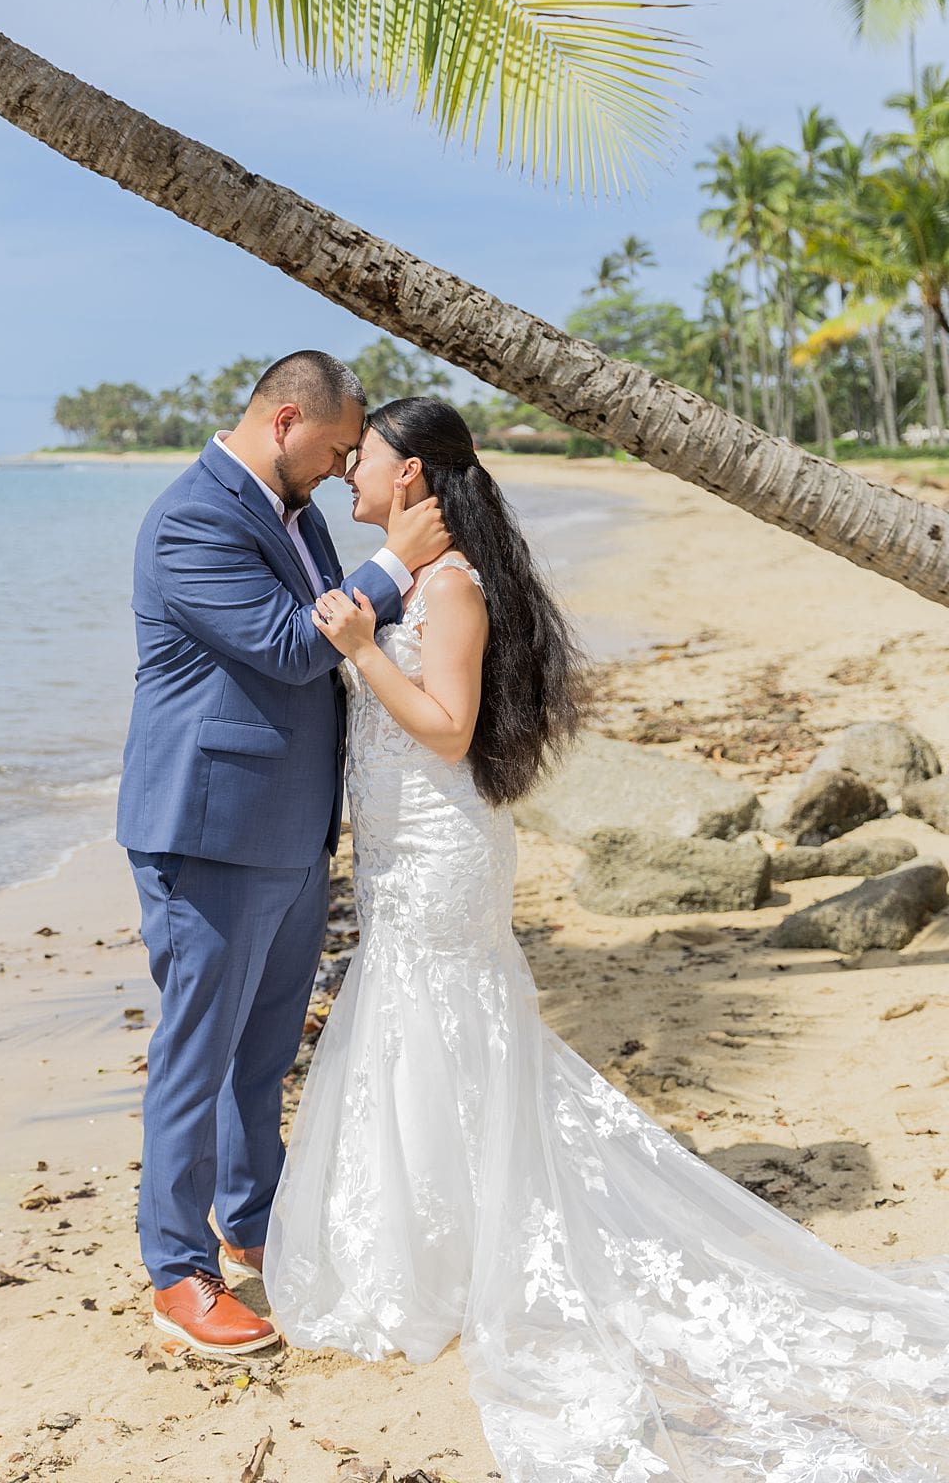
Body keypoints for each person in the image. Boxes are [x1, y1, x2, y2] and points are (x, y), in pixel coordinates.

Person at [263, 396, 949, 1482]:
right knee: (416, 1024)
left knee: (437, 1016)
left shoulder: (450, 589)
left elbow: (444, 727)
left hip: (444, 847)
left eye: (367, 460)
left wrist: (358, 646)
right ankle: (433, 1240)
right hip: (403, 850)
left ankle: (452, 1255)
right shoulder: (421, 577)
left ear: (411, 479)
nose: (350, 472)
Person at [115, 351, 449, 1357]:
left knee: (262, 1057)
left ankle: (251, 1220)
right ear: (289, 418)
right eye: (340, 446)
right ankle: (177, 1271)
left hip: (294, 830)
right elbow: (296, 645)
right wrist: (395, 562)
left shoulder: (294, 516)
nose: (345, 466)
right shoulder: (193, 520)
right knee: (197, 1054)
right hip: (207, 831)